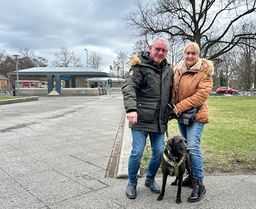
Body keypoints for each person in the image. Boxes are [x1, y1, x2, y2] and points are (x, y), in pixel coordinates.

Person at [122, 37, 174, 199]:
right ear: (151, 48)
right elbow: (129, 86)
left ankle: (150, 179)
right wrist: (131, 108)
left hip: (159, 120)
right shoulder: (139, 66)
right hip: (141, 118)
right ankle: (132, 182)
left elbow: (173, 91)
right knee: (137, 152)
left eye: (164, 50)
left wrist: (173, 108)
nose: (160, 53)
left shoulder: (169, 69)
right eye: (157, 49)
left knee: (158, 153)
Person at [171, 42, 214, 202]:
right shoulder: (179, 69)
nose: (190, 56)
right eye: (187, 53)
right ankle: (190, 177)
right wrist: (171, 108)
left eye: (193, 53)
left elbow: (200, 96)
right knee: (185, 147)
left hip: (196, 114)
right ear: (184, 54)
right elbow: (174, 92)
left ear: (198, 55)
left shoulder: (205, 71)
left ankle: (198, 184)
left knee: (193, 147)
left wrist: (179, 106)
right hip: (183, 115)